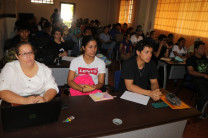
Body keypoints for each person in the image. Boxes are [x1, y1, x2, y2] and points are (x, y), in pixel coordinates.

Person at [186, 41, 208, 119]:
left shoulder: (205, 59)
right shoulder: (191, 59)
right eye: (201, 48)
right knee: (205, 95)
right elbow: (191, 71)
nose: (203, 50)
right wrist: (204, 75)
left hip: (206, 80)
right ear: (196, 49)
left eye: (204, 48)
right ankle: (199, 110)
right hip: (197, 80)